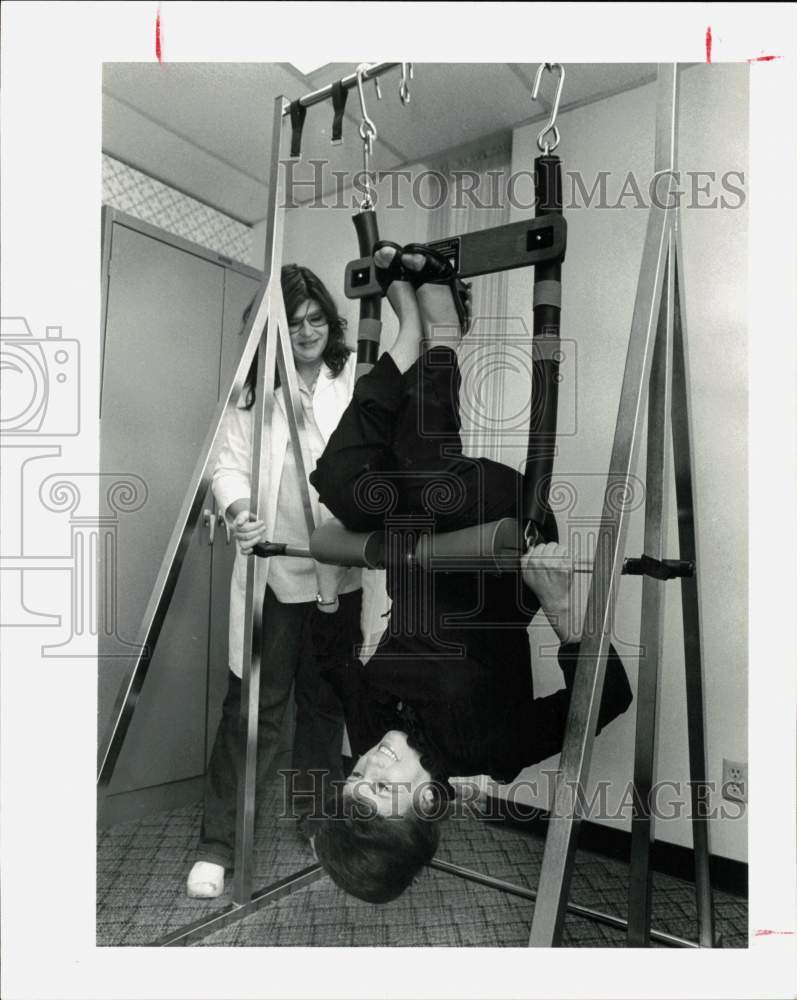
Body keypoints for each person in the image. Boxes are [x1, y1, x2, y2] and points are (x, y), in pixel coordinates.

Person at [306, 242, 634, 903]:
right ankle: (439, 330)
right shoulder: (492, 748)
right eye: (382, 784)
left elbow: (333, 662)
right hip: (499, 538)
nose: (368, 761)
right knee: (424, 479)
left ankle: (413, 340)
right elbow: (608, 699)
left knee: (340, 481)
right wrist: (563, 610)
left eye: (355, 778)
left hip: (417, 535)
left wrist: (326, 588)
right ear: (427, 800)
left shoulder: (373, 732)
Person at [186, 264, 363, 899]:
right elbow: (225, 466)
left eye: (317, 318)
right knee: (255, 710)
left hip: (339, 573)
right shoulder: (250, 392)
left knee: (325, 706)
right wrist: (237, 511)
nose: (309, 330)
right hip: (274, 570)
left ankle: (315, 818)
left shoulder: (348, 382)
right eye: (294, 323)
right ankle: (219, 842)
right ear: (274, 334)